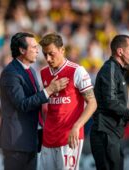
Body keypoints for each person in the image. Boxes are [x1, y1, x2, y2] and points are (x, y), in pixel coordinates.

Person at [0, 32, 69, 170]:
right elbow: (22, 104)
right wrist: (49, 90)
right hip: (16, 144)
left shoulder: (31, 71)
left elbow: (36, 102)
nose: (38, 50)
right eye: (34, 47)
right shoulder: (11, 73)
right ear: (22, 50)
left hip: (30, 140)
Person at [90, 34, 129, 170]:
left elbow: (113, 105)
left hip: (111, 134)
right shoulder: (110, 69)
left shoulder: (117, 70)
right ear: (120, 51)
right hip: (105, 133)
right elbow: (110, 102)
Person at [39, 33, 97, 170]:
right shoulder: (43, 73)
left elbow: (93, 103)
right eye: (45, 54)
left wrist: (77, 127)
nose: (48, 58)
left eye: (51, 54)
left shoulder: (77, 71)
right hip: (48, 137)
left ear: (62, 50)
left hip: (69, 137)